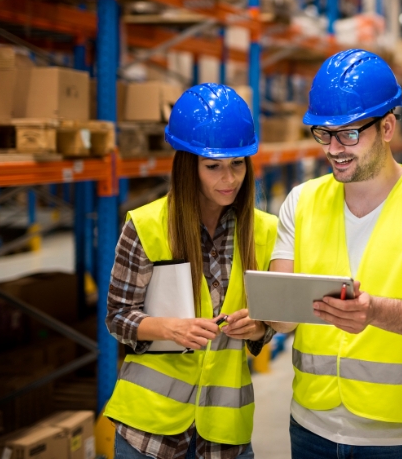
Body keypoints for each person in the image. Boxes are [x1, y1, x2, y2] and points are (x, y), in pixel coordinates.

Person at [269, 49, 402, 459]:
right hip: (311, 426)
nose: (334, 148)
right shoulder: (301, 201)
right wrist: (259, 311)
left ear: (387, 127)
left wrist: (376, 311)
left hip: (397, 438)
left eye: (349, 134)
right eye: (323, 133)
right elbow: (281, 318)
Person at [104, 84, 278, 459]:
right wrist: (171, 328)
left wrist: (259, 328)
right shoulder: (147, 225)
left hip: (224, 434)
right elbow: (118, 318)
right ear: (188, 166)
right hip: (148, 432)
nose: (229, 179)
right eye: (213, 167)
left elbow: (270, 324)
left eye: (237, 164)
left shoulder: (265, 232)